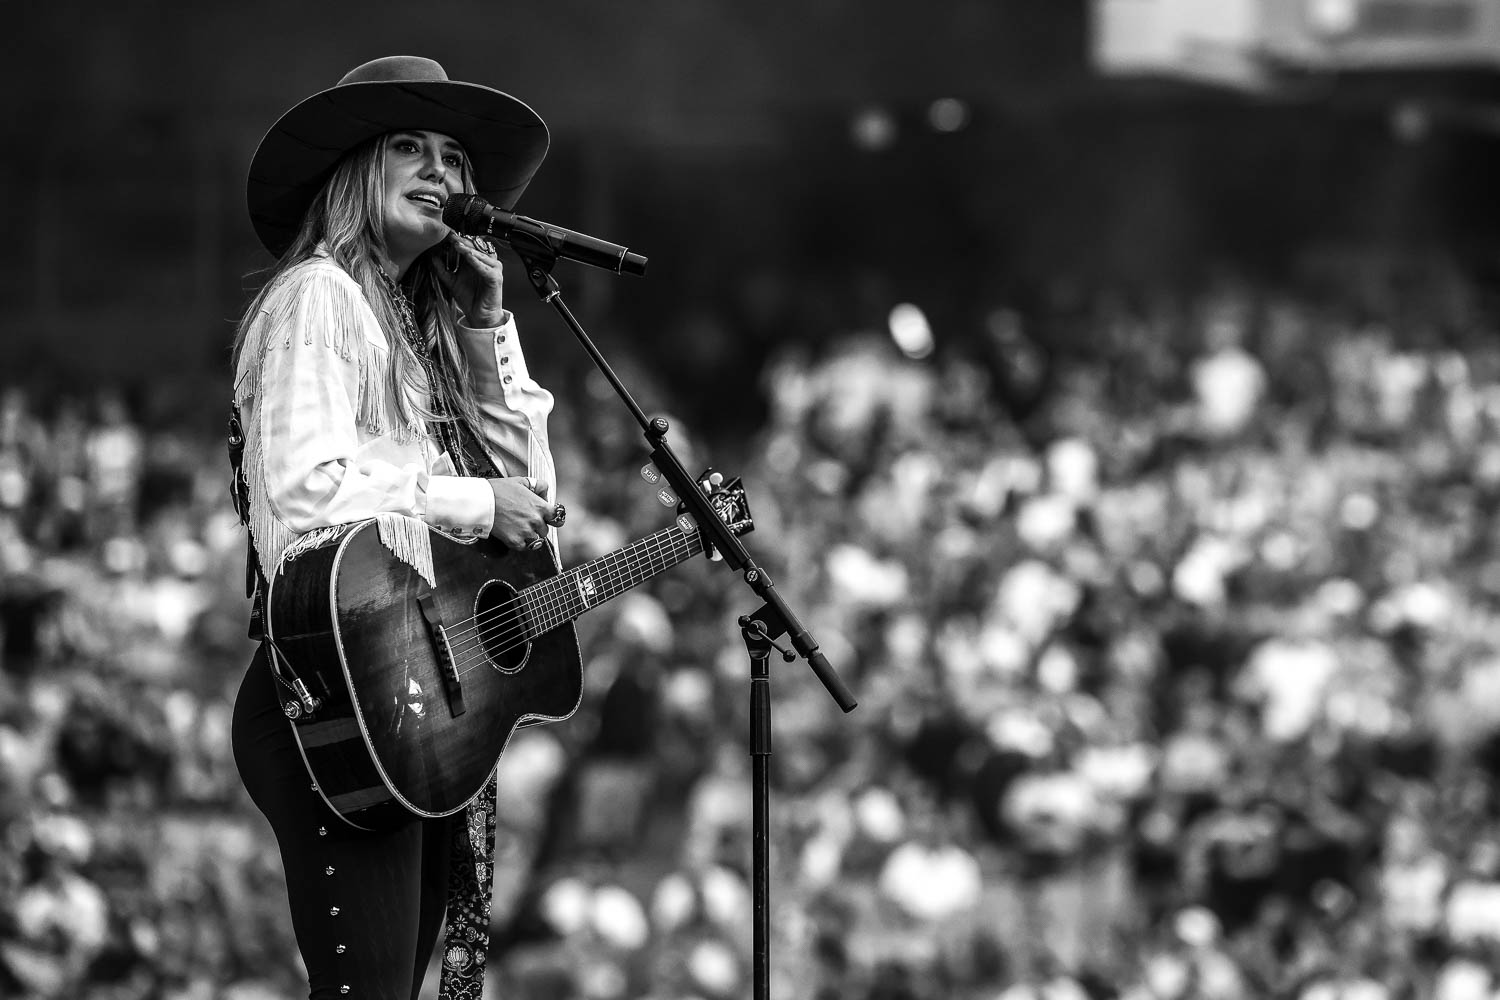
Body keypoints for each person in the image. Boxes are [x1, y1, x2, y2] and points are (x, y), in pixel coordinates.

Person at [227, 55, 564, 1000]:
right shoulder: (319, 297)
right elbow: (309, 500)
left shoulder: (431, 330)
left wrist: (487, 329)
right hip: (329, 689)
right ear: (354, 173)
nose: (443, 175)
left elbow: (531, 501)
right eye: (408, 149)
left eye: (456, 160)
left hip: (400, 696)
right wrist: (469, 502)